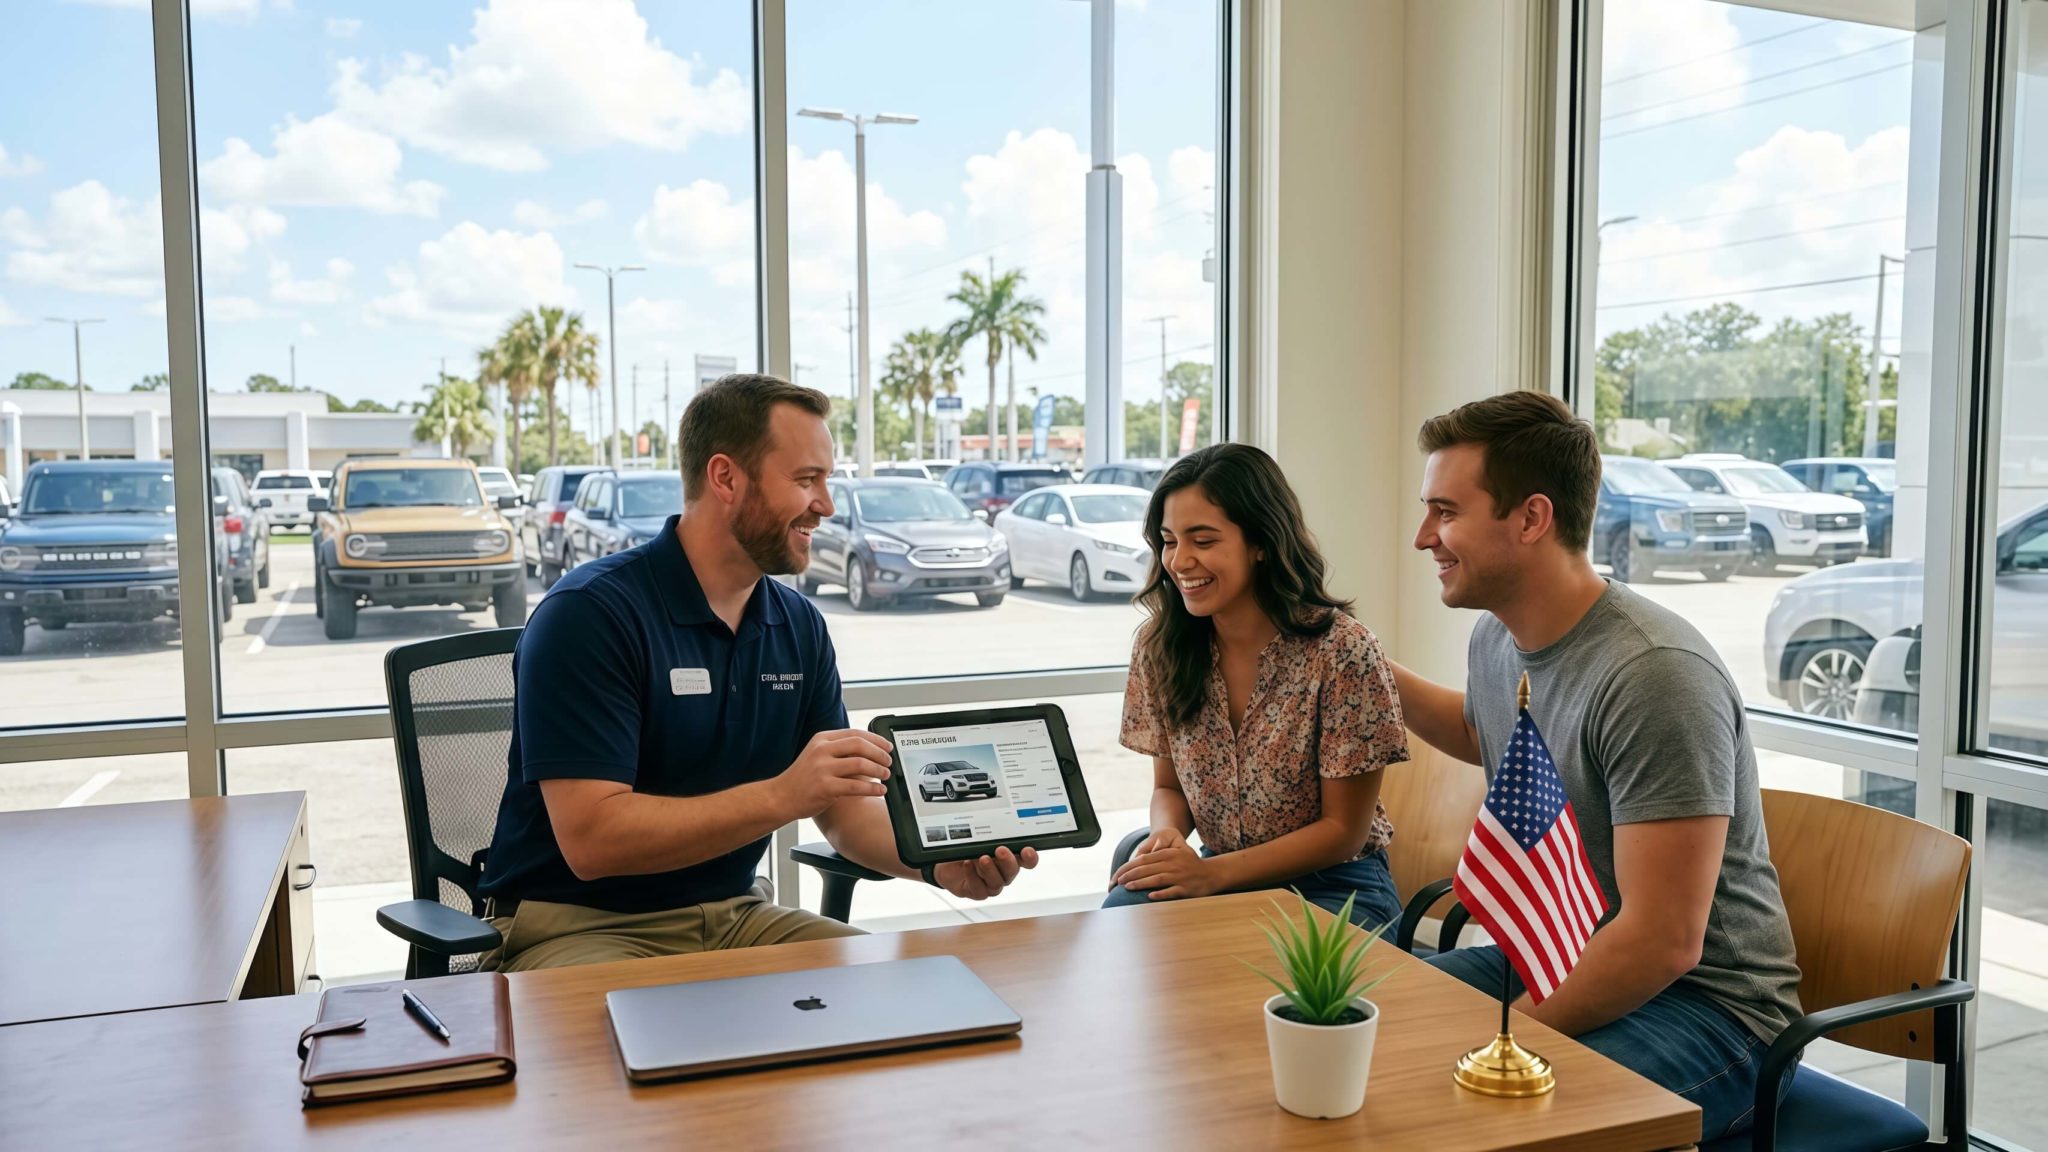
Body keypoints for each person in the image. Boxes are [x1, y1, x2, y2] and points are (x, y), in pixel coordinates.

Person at [476, 374, 1036, 972]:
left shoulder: (798, 626)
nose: (825, 504)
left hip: (735, 916)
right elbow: (593, 839)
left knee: (900, 994)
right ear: (725, 478)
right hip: (575, 928)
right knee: (654, 1050)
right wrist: (783, 794)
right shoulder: (590, 614)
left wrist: (933, 862)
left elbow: (846, 815)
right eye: (806, 480)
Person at [1394, 391, 1801, 1140]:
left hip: (1712, 1009)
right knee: (1379, 1024)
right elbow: (1484, 733)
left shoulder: (1655, 675)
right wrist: (1372, 670)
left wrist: (1505, 1042)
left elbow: (1663, 942)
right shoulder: (1495, 638)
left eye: (1445, 511)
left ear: (1532, 518)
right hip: (1565, 952)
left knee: (1463, 1111)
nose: (1424, 537)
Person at [1104, 443, 1407, 930]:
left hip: (1337, 889)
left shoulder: (1342, 650)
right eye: (1169, 540)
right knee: (1118, 941)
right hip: (1213, 872)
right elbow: (1168, 787)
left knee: (1254, 990)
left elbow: (1344, 832)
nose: (1179, 561)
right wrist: (1167, 837)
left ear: (1261, 542)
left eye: (1203, 540)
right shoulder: (1159, 646)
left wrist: (1209, 875)